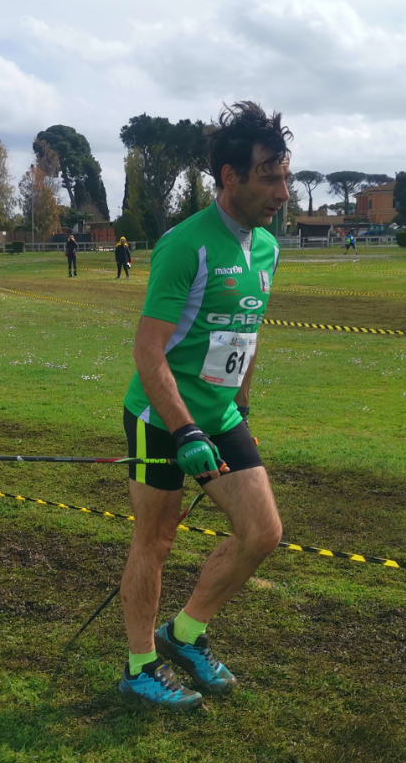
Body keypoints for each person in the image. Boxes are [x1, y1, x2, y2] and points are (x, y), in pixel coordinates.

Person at [118, 101, 288, 712]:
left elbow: (244, 335)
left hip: (220, 419)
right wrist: (184, 427)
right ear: (229, 176)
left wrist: (241, 409)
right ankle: (139, 667)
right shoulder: (185, 245)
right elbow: (148, 349)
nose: (282, 189)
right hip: (161, 419)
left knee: (263, 532)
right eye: (269, 175)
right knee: (156, 539)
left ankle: (184, 634)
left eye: (285, 174)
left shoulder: (266, 248)